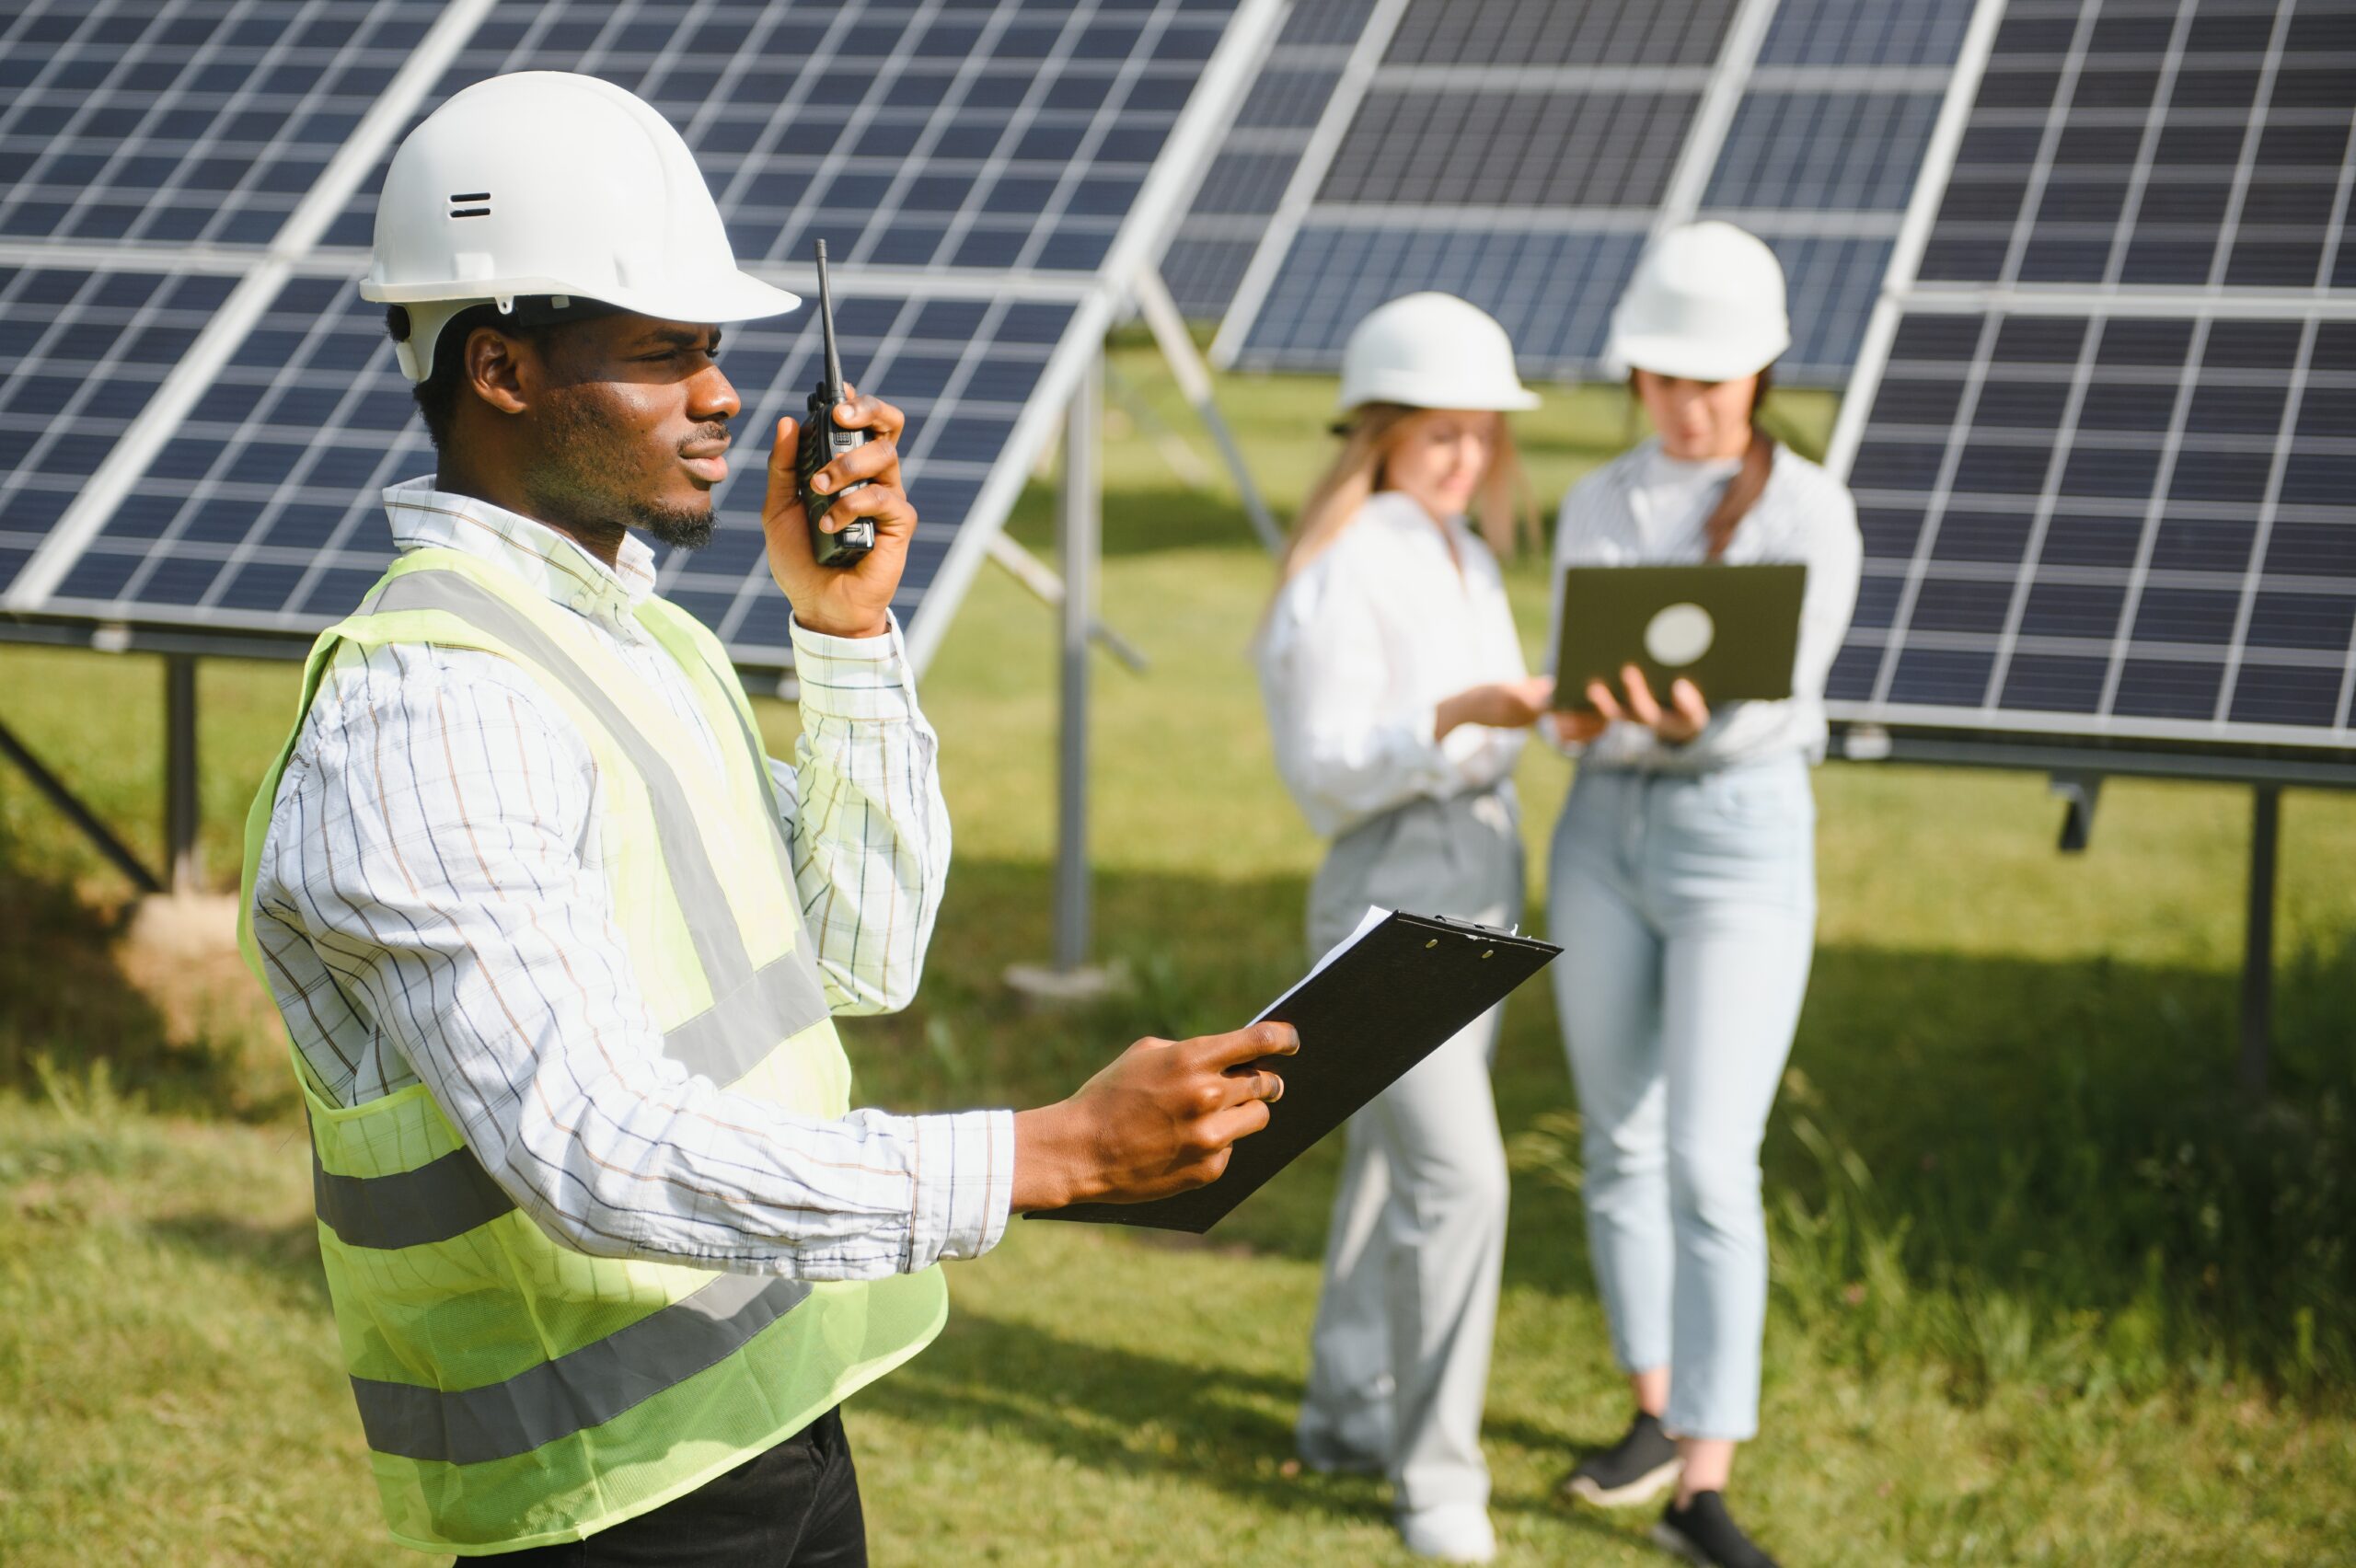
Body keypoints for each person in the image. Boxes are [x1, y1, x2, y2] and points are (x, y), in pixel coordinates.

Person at [236, 73, 1292, 1565]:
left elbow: (858, 959)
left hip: (775, 1407)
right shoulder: (433, 707)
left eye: (715, 352)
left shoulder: (637, 640)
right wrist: (1038, 1156)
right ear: (500, 368)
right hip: (609, 1498)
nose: (724, 394)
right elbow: (592, 1145)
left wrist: (846, 637)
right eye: (663, 355)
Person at [1542, 223, 1863, 1568]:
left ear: (1763, 371)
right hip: (1602, 837)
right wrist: (1603, 720)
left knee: (1706, 1161)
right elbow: (1577, 694)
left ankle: (1703, 1487)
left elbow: (1769, 707)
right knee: (1618, 1141)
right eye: (1664, 376)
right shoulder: (1600, 502)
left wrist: (1669, 725)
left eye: (1711, 379)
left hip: (1739, 844)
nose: (1685, 403)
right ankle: (1655, 1411)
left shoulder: (1808, 509)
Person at [1255, 294, 1553, 1564]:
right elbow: (1324, 772)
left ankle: (1341, 1411)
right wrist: (1449, 721)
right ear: (1376, 430)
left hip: (1484, 859)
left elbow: (1481, 720)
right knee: (1458, 1176)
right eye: (1440, 435)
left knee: (1394, 1164)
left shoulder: (1464, 552)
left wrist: (1526, 716)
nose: (1466, 460)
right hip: (1392, 884)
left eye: (1482, 437)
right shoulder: (1340, 570)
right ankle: (1440, 1483)